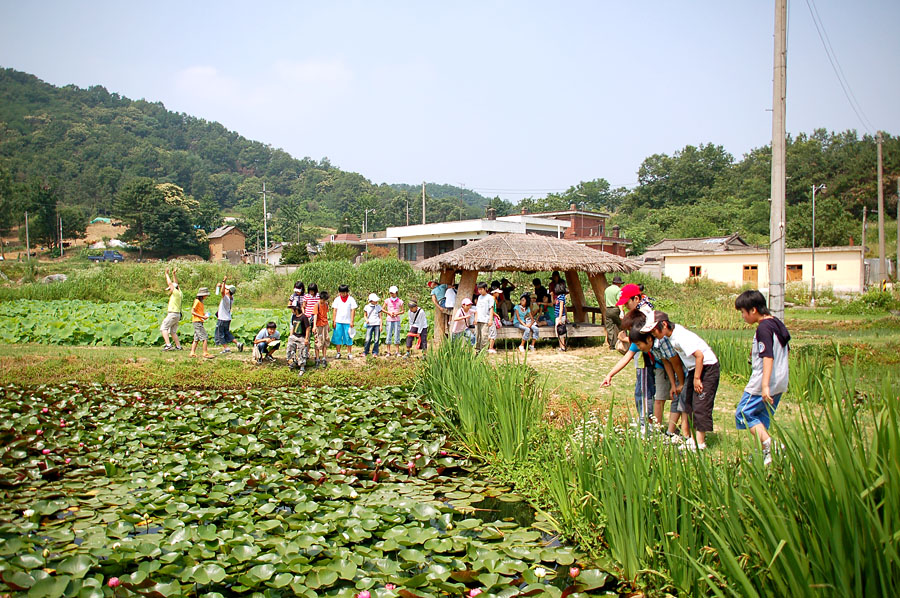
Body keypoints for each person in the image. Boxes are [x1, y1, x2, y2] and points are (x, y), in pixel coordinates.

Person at [647, 312, 719, 451]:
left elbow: (700, 355)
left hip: (707, 368)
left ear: (664, 324)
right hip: (694, 369)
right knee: (689, 403)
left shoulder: (680, 336)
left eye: (654, 329)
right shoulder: (671, 336)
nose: (653, 333)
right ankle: (692, 439)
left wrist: (697, 378)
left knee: (701, 404)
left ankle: (700, 443)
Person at [734, 290, 790, 465]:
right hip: (781, 379)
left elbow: (767, 356)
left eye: (743, 312)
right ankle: (764, 455)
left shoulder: (763, 328)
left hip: (764, 380)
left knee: (743, 413)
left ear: (753, 310)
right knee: (762, 417)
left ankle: (771, 447)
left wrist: (764, 385)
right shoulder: (776, 323)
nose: (743, 316)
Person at [631, 310, 686, 439]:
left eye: (639, 344)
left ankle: (685, 434)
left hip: (685, 369)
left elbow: (676, 363)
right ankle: (669, 433)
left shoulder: (662, 342)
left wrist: (681, 382)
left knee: (683, 401)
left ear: (649, 339)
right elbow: (666, 363)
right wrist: (673, 384)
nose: (639, 348)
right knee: (676, 396)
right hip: (675, 370)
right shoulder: (654, 347)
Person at [214, 276, 243, 354]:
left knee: (220, 334)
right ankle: (238, 343)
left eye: (227, 289)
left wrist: (224, 281)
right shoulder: (231, 298)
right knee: (227, 333)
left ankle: (226, 348)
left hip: (222, 319)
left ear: (228, 291)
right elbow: (224, 290)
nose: (225, 289)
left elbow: (222, 292)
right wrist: (221, 285)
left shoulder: (226, 298)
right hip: (227, 319)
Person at [331, 284, 358, 359]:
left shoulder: (351, 299)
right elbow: (334, 310)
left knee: (348, 337)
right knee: (337, 337)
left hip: (347, 322)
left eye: (344, 293)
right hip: (338, 321)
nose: (342, 294)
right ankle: (338, 352)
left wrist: (352, 321)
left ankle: (349, 353)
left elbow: (353, 310)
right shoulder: (337, 299)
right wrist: (334, 321)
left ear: (347, 292)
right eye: (341, 293)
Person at [161, 267, 184, 351]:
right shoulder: (180, 292)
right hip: (177, 314)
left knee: (163, 328)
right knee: (173, 331)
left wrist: (166, 274)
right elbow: (176, 283)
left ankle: (168, 345)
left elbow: (170, 283)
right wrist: (174, 274)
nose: (169, 290)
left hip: (172, 313)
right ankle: (178, 346)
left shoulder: (176, 293)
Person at [286, 307, 311, 375]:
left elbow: (308, 328)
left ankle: (302, 367)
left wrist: (306, 338)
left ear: (296, 309)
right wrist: (291, 336)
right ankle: (292, 362)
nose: (291, 311)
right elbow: (293, 326)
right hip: (294, 335)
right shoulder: (294, 316)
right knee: (290, 348)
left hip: (302, 336)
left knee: (302, 351)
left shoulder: (304, 317)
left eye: (292, 309)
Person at [383, 286, 404, 357]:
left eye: (393, 293)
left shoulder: (400, 301)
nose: (392, 294)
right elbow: (382, 309)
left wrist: (396, 314)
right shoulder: (387, 300)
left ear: (396, 293)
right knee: (388, 334)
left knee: (397, 334)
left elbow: (403, 311)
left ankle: (397, 351)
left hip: (396, 320)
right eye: (391, 293)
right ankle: (388, 351)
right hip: (389, 319)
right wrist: (389, 313)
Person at [605, 275, 624, 350]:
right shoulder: (618, 290)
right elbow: (620, 302)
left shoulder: (607, 289)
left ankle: (612, 345)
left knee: (610, 328)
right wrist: (622, 311)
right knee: (621, 326)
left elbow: (605, 299)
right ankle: (622, 342)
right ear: (618, 283)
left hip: (608, 309)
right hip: (615, 309)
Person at [474, 282, 494, 352]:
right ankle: (477, 351)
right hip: (478, 319)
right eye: (478, 289)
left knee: (484, 336)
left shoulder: (490, 297)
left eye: (481, 289)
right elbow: (477, 309)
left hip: (485, 320)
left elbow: (491, 309)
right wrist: (475, 318)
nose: (480, 291)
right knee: (477, 336)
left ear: (485, 289)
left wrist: (490, 320)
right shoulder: (479, 297)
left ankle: (483, 352)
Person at [314, 291, 330, 366]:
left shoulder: (326, 305)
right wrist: (314, 326)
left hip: (325, 324)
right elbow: (315, 316)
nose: (323, 301)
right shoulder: (317, 305)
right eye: (323, 300)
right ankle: (317, 358)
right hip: (318, 325)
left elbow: (326, 315)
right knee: (317, 341)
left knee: (325, 340)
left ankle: (324, 357)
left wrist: (328, 324)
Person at [487, 288, 503, 354]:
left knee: (490, 333)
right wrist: (497, 315)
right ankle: (490, 348)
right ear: (494, 293)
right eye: (497, 293)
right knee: (493, 333)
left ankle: (489, 346)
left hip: (491, 318)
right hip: (492, 318)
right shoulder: (492, 299)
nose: (498, 294)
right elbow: (491, 310)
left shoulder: (493, 299)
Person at [554, 282, 568, 352]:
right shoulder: (559, 297)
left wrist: (560, 318)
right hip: (558, 316)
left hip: (560, 317)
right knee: (559, 332)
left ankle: (563, 347)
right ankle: (561, 346)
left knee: (561, 332)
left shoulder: (561, 297)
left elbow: (561, 308)